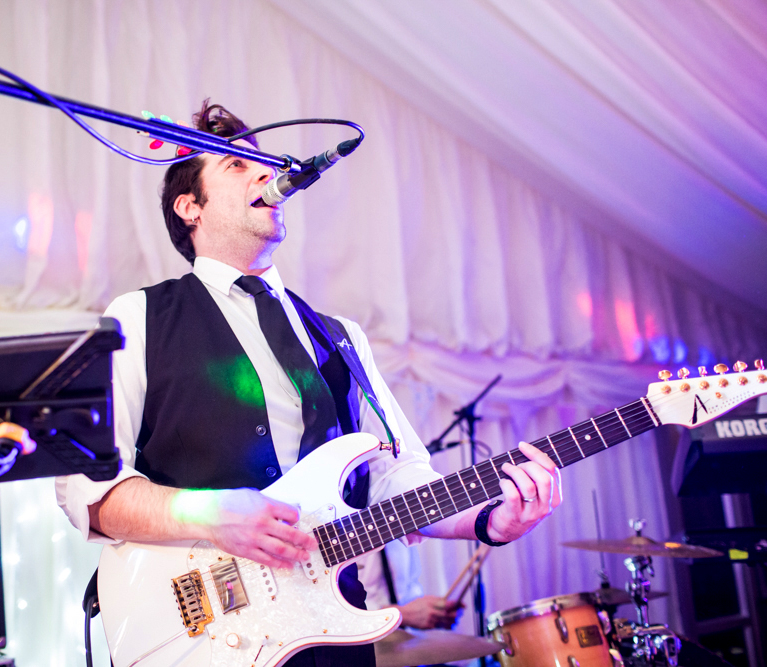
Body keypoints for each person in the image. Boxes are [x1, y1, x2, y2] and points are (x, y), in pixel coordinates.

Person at [56, 100, 562, 667]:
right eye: (236, 165)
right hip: (203, 636)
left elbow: (397, 477)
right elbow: (88, 489)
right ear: (189, 207)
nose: (267, 174)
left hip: (335, 633)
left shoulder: (339, 336)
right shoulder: (138, 318)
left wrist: (488, 520)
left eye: (266, 164)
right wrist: (207, 515)